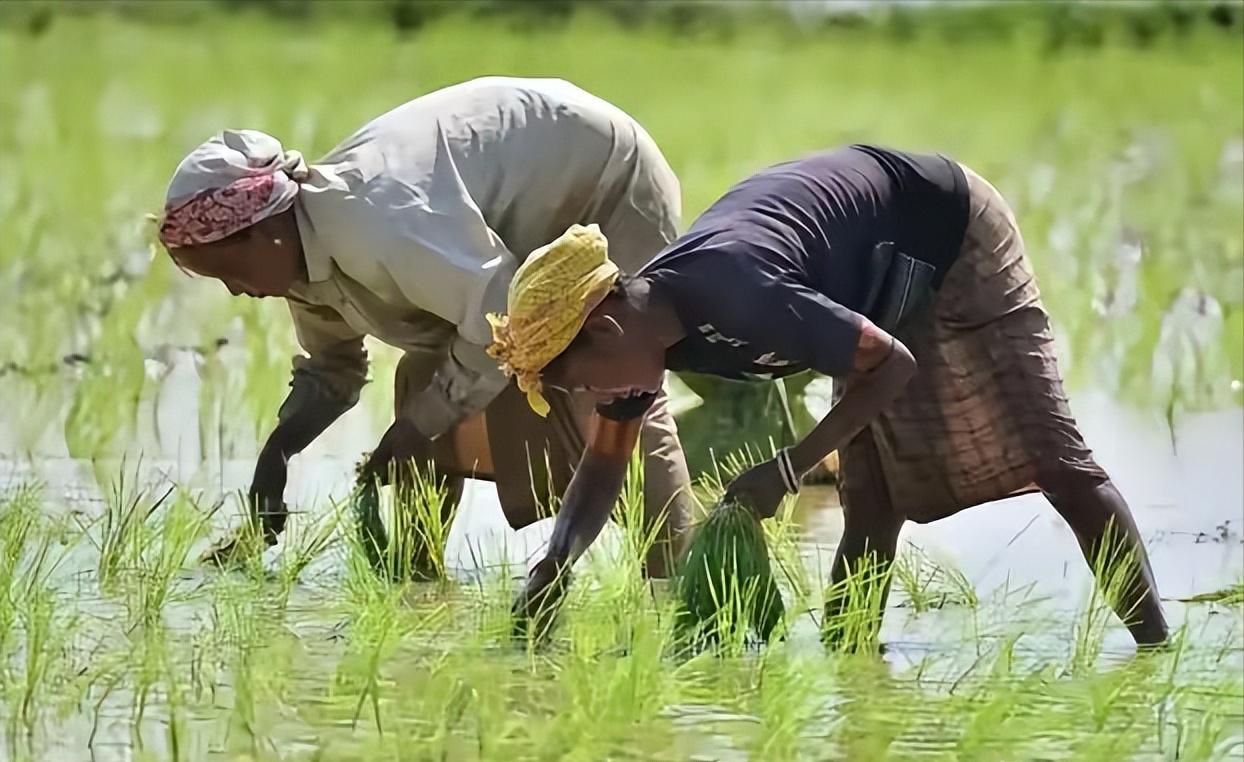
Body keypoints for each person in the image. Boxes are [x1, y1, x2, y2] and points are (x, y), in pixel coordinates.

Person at [489, 144, 1169, 646]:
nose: (592, 396)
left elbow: (893, 365)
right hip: (867, 286)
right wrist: (555, 562)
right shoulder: (637, 346)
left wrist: (786, 471)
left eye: (580, 380)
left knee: (1056, 461)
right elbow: (608, 461)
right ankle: (854, 670)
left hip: (947, 232)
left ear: (604, 326)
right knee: (871, 497)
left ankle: (1154, 649)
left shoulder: (736, 289)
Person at [156, 77, 693, 576]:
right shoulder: (303, 264)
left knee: (615, 386)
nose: (233, 290)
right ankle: (417, 574)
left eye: (229, 269)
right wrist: (278, 455)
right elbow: (333, 371)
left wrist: (415, 428)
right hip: (520, 211)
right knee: (422, 381)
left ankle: (679, 583)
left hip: (604, 180)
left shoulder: (375, 224)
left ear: (264, 229)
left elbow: (499, 322)